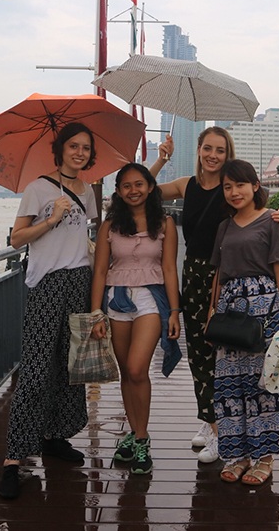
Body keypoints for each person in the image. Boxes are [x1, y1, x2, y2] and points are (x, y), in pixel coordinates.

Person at [149, 127, 279, 463]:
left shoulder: (232, 188)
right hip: (196, 274)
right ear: (198, 150)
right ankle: (210, 421)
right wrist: (160, 159)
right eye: (207, 148)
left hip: (228, 275)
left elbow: (259, 210)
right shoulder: (188, 185)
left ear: (228, 154)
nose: (213, 155)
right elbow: (145, 192)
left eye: (220, 150)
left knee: (229, 358)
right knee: (200, 352)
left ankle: (224, 428)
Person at [0, 122, 99, 500]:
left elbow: (82, 235)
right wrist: (50, 219)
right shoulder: (38, 189)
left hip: (78, 281)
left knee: (70, 365)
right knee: (37, 369)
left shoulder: (87, 191)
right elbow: (16, 238)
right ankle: (13, 458)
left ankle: (56, 436)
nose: (79, 152)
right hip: (47, 284)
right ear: (60, 150)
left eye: (85, 148)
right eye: (73, 146)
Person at [207, 159, 279, 485]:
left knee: (262, 384)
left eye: (240, 185)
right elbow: (219, 272)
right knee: (230, 386)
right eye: (227, 187)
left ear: (255, 185)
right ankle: (239, 455)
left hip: (265, 308)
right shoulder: (225, 226)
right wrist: (211, 309)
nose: (234, 192)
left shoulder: (274, 221)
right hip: (231, 311)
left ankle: (264, 457)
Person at [88, 163, 181, 475]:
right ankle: (133, 431)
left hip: (151, 299)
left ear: (150, 187)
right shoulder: (110, 226)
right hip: (116, 299)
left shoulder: (166, 223)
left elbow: (169, 269)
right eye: (126, 185)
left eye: (139, 184)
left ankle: (142, 438)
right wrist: (96, 313)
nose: (133, 190)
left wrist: (175, 312)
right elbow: (100, 270)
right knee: (126, 372)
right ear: (118, 191)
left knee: (139, 368)